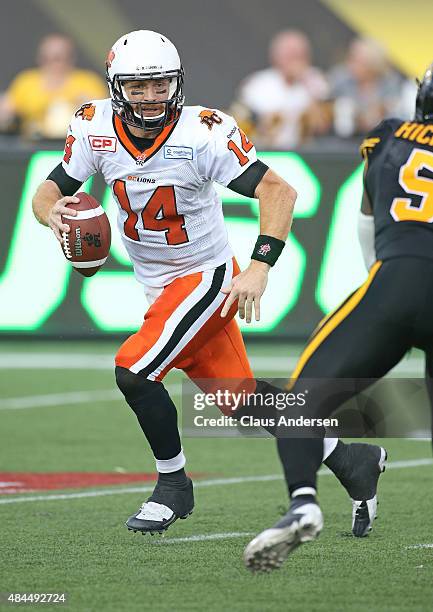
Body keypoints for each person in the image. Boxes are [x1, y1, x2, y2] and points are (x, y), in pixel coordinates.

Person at [32, 29, 380, 539]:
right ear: (115, 86)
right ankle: (353, 460)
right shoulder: (93, 128)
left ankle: (173, 483)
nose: (151, 97)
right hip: (158, 282)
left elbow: (278, 191)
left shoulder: (204, 132)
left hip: (207, 276)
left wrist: (259, 267)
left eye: (160, 85)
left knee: (133, 370)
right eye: (138, 87)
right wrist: (52, 214)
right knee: (239, 401)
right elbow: (51, 188)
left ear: (177, 84)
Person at [243, 64, 433, 572]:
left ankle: (303, 500)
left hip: (397, 281)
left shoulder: (388, 137)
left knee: (305, 396)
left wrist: (388, 285)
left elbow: (368, 225)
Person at [232, 30, 330, 148]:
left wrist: (306, 81)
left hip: (305, 153)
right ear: (276, 56)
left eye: (299, 55)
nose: (295, 61)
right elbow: (241, 124)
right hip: (266, 152)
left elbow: (323, 126)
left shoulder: (316, 80)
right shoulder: (257, 84)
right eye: (290, 55)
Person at [0, 33, 106, 139]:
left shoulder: (88, 82)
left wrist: (86, 106)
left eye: (58, 58)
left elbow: (105, 116)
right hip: (34, 144)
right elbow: (6, 111)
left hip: (76, 143)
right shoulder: (27, 82)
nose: (53, 64)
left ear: (70, 58)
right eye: (47, 58)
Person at [329, 37, 402, 138]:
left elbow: (394, 112)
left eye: (357, 61)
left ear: (373, 64)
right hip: (343, 142)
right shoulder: (340, 79)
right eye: (351, 59)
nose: (350, 64)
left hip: (381, 139)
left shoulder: (390, 82)